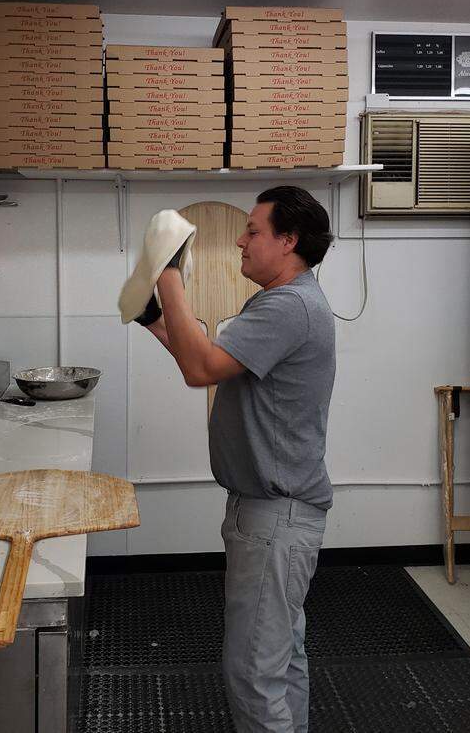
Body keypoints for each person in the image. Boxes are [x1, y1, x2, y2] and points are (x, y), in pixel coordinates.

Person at [138, 185, 337, 733]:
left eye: (253, 230)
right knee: (279, 657)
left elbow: (199, 370)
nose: (240, 241)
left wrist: (170, 272)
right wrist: (155, 318)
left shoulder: (289, 307)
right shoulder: (283, 303)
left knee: (253, 671)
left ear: (288, 241)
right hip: (272, 511)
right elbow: (208, 358)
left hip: (277, 515)